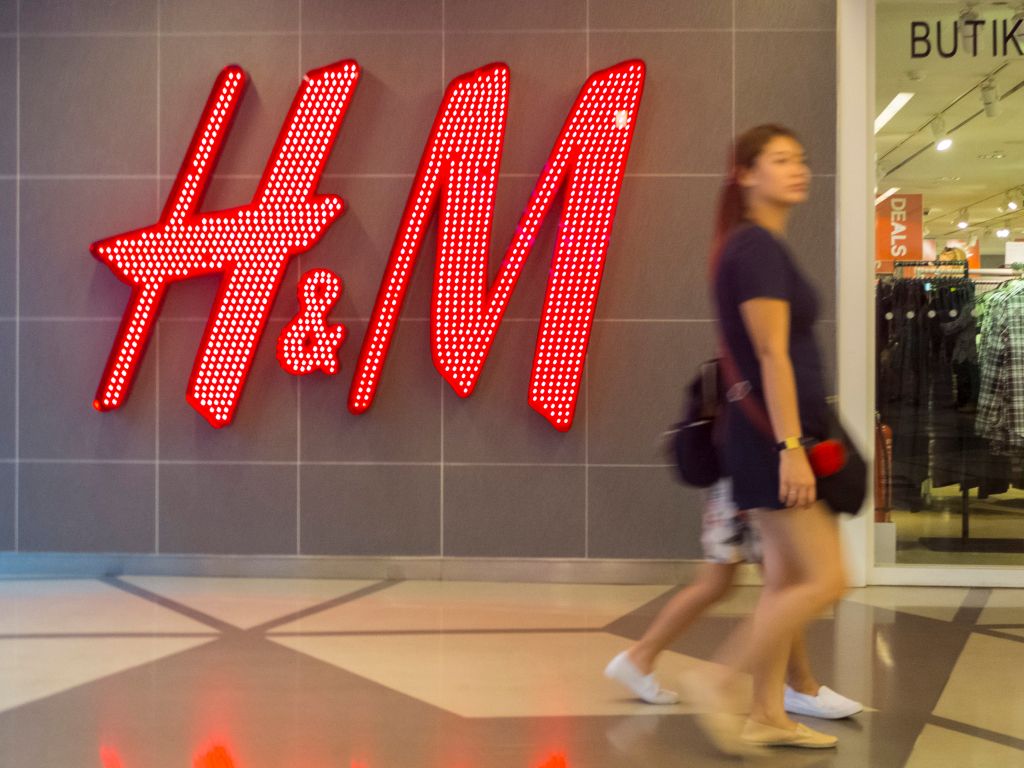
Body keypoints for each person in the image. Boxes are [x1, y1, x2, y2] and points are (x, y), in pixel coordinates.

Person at [651, 124, 849, 753]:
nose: (799, 169)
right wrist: (791, 445)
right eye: (780, 160)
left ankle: (768, 713)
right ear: (745, 175)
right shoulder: (755, 247)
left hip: (766, 437)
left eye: (801, 158)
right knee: (827, 578)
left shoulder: (756, 247)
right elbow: (771, 354)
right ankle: (724, 680)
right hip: (772, 441)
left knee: (786, 581)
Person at [604, 478, 862, 722]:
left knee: (727, 584)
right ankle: (798, 687)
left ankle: (640, 657)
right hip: (749, 485)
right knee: (780, 586)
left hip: (732, 483)